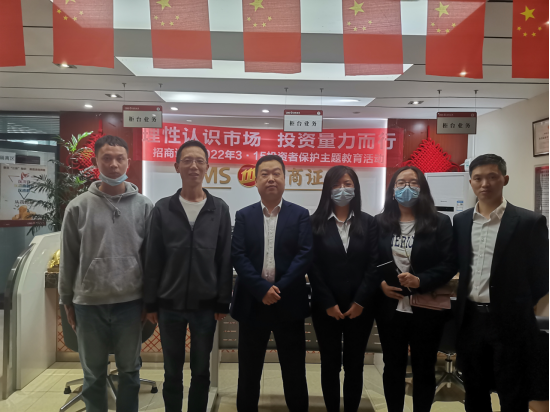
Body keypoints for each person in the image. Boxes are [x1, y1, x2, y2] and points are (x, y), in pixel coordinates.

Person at [59, 135, 153, 412]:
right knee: (93, 375)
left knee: (130, 372)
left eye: (119, 158)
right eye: (107, 158)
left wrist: (149, 300)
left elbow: (151, 259)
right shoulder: (78, 206)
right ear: (96, 161)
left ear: (128, 162)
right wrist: (67, 300)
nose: (114, 165)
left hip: (131, 303)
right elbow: (69, 257)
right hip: (89, 304)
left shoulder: (144, 206)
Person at [453, 154, 549, 412]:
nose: (485, 183)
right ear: (471, 182)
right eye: (478, 178)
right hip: (471, 319)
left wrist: (521, 303)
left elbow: (542, 274)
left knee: (512, 391)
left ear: (505, 179)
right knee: (474, 390)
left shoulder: (529, 222)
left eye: (492, 177)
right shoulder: (461, 221)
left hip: (511, 321)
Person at [143, 141, 233, 412]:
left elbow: (225, 257)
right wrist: (150, 302)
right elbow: (153, 257)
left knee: (201, 371)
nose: (193, 166)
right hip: (169, 305)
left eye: (199, 161)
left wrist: (223, 300)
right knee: (172, 371)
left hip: (205, 306)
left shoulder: (219, 208)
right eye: (187, 160)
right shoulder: (163, 208)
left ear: (207, 167)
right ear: (177, 166)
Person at [231, 155, 313, 412]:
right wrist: (261, 289)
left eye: (276, 173)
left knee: (294, 371)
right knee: (249, 371)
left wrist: (279, 288)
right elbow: (238, 255)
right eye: (264, 174)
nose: (271, 179)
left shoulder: (300, 215)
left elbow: (304, 255)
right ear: (255, 181)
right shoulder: (244, 215)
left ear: (285, 179)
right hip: (252, 303)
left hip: (288, 303)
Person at [375, 166, 456, 412]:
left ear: (423, 189)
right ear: (392, 190)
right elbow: (370, 259)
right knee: (393, 367)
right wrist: (381, 285)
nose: (407, 188)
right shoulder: (380, 222)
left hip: (427, 307)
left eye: (413, 183)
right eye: (401, 183)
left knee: (424, 367)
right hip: (391, 309)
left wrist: (421, 280)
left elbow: (450, 263)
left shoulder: (440, 222)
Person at [308, 166, 379, 412]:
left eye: (347, 184)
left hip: (360, 308)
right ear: (327, 189)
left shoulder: (368, 222)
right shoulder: (314, 223)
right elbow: (312, 266)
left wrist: (360, 301)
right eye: (336, 184)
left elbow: (374, 264)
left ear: (355, 188)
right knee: (329, 364)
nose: (342, 189)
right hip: (325, 308)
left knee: (354, 364)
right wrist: (328, 303)